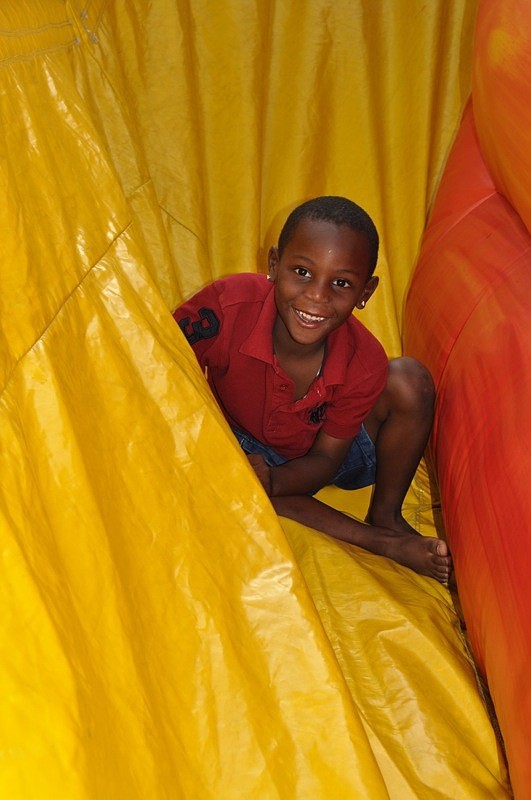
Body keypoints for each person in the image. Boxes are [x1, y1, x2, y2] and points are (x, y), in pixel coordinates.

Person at [174, 196, 451, 583]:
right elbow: (159, 361)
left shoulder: (363, 359)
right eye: (302, 272)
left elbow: (325, 461)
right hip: (237, 444)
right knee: (226, 478)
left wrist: (274, 481)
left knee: (410, 379)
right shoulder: (225, 307)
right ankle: (380, 543)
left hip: (330, 455)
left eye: (341, 283)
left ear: (365, 292)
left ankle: (386, 515)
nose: (317, 296)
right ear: (274, 265)